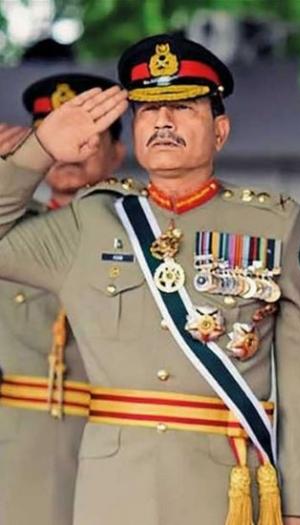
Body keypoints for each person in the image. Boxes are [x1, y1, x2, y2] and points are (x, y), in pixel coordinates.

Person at [0, 33, 300, 525]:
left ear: (220, 131)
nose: (163, 122)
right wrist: (40, 149)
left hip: (226, 491)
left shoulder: (275, 225)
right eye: (149, 110)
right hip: (113, 493)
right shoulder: (90, 221)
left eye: (183, 107)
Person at [0, 73, 125, 525]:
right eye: (54, 135)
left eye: (87, 136)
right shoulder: (10, 231)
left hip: (114, 438)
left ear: (117, 152)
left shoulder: (142, 233)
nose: (70, 151)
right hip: (18, 445)